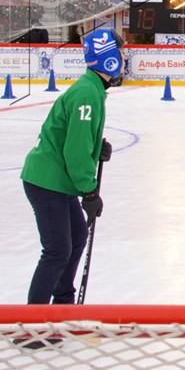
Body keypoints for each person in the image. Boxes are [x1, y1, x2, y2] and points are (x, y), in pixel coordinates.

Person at [20, 26, 118, 307]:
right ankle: (34, 321)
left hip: (58, 180)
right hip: (47, 180)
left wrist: (97, 148)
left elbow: (77, 138)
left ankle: (63, 304)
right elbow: (75, 150)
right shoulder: (87, 94)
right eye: (119, 52)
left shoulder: (93, 88)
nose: (123, 57)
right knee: (57, 250)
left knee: (76, 240)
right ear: (107, 57)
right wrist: (89, 191)